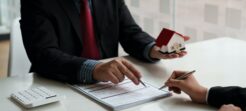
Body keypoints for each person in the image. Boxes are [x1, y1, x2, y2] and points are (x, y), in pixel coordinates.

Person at [20, 0, 187, 84]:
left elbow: (130, 32)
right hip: (58, 84)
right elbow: (43, 55)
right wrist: (94, 68)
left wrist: (152, 48)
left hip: (108, 87)